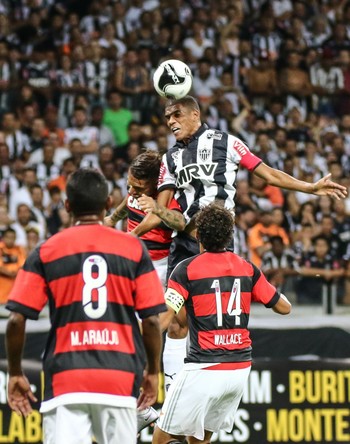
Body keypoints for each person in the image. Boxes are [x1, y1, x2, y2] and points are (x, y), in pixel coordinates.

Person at [134, 95, 347, 390]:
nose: (170, 121)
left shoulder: (227, 142)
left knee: (216, 322)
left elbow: (268, 174)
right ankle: (172, 390)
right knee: (177, 321)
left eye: (176, 115)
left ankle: (211, 384)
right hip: (183, 245)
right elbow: (162, 207)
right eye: (167, 117)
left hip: (220, 245)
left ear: (195, 114)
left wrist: (309, 187)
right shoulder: (170, 159)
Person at [5, 168, 166, 444]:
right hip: (119, 377)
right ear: (107, 205)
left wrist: (16, 373)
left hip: (66, 379)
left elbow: (16, 320)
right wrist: (152, 371)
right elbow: (152, 320)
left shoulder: (46, 250)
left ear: (67, 206)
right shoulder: (133, 248)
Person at [152, 202, 291, 444]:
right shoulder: (248, 268)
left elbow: (164, 319)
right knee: (199, 440)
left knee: (161, 438)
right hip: (239, 370)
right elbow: (284, 307)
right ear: (229, 236)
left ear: (197, 235)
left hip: (205, 367)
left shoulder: (185, 270)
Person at [105, 150, 186, 400]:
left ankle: (171, 393)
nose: (131, 191)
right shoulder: (135, 192)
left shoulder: (167, 200)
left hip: (160, 269)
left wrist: (131, 235)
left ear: (154, 184)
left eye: (138, 187)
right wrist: (112, 219)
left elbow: (174, 221)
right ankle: (134, 394)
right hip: (134, 266)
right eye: (129, 184)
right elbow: (126, 205)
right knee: (140, 329)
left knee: (177, 324)